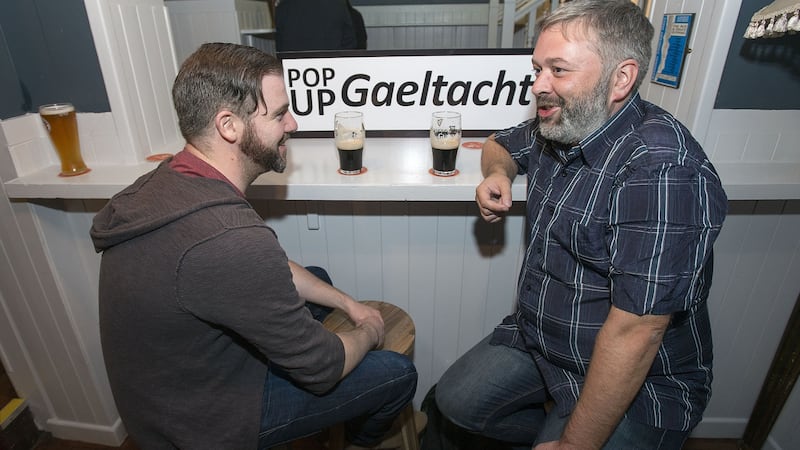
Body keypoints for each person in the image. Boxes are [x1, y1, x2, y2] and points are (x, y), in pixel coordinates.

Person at [90, 42, 416, 449]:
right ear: (229, 126)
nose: (293, 124)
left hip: (166, 388)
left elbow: (268, 265)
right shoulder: (228, 240)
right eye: (280, 114)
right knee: (396, 373)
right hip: (197, 423)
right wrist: (368, 329)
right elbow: (325, 367)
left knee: (318, 281)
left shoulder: (174, 179)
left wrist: (347, 303)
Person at [434, 1, 728, 449]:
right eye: (537, 69)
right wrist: (497, 173)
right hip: (543, 339)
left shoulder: (661, 170)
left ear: (621, 78)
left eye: (558, 70)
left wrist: (576, 444)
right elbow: (499, 144)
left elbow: (636, 331)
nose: (538, 86)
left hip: (640, 380)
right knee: (453, 401)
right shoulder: (568, 121)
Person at [275, 0, 365, 52]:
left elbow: (280, 46)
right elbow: (351, 42)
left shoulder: (283, 7)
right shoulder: (338, 5)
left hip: (294, 73)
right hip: (331, 70)